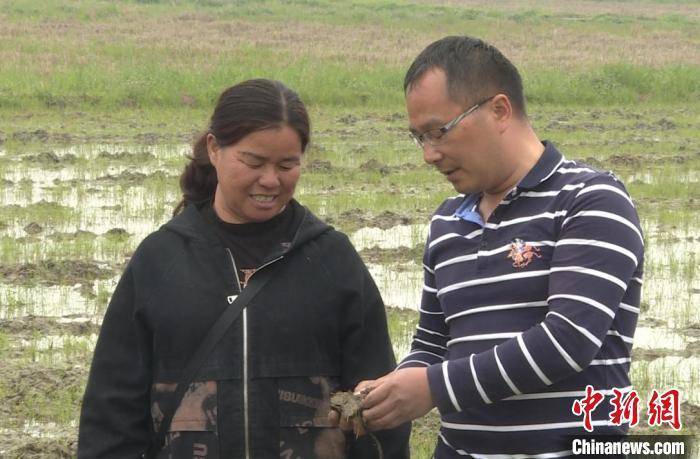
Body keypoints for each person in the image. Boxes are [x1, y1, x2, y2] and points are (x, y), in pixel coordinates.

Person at [78, 79, 410, 458]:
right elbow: (110, 416)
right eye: (253, 162)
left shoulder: (333, 260)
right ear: (214, 149)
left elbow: (381, 408)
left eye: (287, 164)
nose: (270, 180)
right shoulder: (159, 261)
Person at [357, 36, 644, 457]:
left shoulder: (591, 200)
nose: (429, 155)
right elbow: (432, 344)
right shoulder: (447, 222)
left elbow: (568, 340)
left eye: (439, 131)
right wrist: (392, 388)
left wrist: (434, 387)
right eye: (419, 138)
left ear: (499, 110)